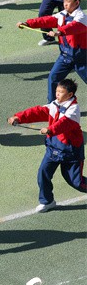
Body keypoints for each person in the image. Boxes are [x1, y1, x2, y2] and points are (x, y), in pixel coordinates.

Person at [8, 79, 87, 213]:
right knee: (43, 174)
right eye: (57, 91)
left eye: (61, 92)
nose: (57, 94)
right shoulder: (54, 105)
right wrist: (19, 117)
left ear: (70, 94)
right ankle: (47, 201)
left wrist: (50, 129)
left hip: (70, 151)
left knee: (76, 182)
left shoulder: (74, 109)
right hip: (53, 148)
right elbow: (38, 111)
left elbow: (64, 123)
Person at [20, 0, 87, 101]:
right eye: (64, 1)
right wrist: (28, 23)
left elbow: (73, 27)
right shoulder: (62, 15)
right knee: (53, 79)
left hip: (81, 58)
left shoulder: (82, 18)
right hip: (65, 56)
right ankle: (51, 106)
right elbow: (46, 20)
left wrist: (59, 32)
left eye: (68, 2)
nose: (65, 4)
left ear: (77, 3)